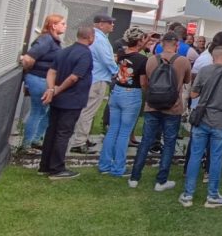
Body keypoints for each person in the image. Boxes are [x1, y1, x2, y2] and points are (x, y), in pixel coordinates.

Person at [179, 46, 222, 208]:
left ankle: (188, 194)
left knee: (195, 156)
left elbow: (193, 94)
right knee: (216, 159)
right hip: (221, 121)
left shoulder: (204, 70)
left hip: (202, 120)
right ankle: (213, 195)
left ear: (213, 58)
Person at [129, 32, 192, 191]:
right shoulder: (183, 61)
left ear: (161, 44)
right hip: (173, 107)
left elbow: (145, 83)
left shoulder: (151, 60)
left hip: (152, 106)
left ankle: (134, 177)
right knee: (169, 143)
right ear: (177, 44)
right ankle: (161, 181)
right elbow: (187, 80)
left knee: (146, 141)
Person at [39, 25, 94, 179]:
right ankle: (57, 168)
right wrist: (56, 90)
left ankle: (45, 165)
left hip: (58, 100)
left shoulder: (64, 51)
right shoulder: (85, 54)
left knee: (52, 131)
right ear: (91, 37)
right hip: (72, 99)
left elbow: (52, 71)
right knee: (63, 133)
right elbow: (74, 77)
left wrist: (52, 89)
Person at [98, 27, 148, 177]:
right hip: (131, 94)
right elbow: (143, 82)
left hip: (117, 91)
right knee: (124, 133)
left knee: (113, 129)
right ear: (139, 41)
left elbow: (130, 54)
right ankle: (118, 167)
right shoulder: (142, 60)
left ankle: (104, 164)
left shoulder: (121, 53)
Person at [69, 14, 117, 154]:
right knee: (88, 111)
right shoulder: (99, 39)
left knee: (88, 110)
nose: (112, 25)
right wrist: (116, 71)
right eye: (110, 22)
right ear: (101, 24)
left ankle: (83, 137)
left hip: (94, 78)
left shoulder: (99, 37)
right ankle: (79, 142)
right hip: (97, 79)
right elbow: (106, 59)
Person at [18, 14, 66, 152]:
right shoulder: (46, 40)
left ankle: (35, 139)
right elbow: (28, 58)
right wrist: (29, 72)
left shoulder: (53, 40)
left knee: (44, 111)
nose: (65, 26)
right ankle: (26, 144)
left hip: (44, 80)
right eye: (62, 23)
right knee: (37, 111)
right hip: (39, 79)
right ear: (53, 25)